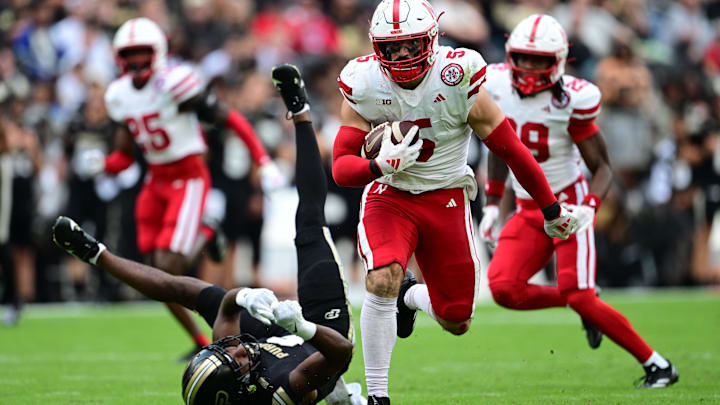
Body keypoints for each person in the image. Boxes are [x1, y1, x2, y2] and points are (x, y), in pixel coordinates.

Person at [52, 64, 366, 405]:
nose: (238, 348)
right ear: (241, 386)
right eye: (237, 359)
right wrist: (302, 328)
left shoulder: (234, 353)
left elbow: (200, 298)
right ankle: (301, 112)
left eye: (228, 349)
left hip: (280, 335)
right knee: (308, 222)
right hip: (322, 341)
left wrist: (242, 297)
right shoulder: (276, 390)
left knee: (194, 292)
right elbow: (340, 353)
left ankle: (97, 253)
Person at [331, 1, 580, 403]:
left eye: (411, 45)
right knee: (381, 278)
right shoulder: (363, 81)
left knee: (457, 319)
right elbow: (342, 168)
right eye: (391, 49)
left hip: (446, 197)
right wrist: (379, 165)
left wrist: (551, 209)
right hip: (390, 196)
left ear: (431, 40)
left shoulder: (457, 75)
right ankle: (378, 395)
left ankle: (410, 296)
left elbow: (513, 150)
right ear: (377, 48)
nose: (401, 57)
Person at [479, 14, 678, 389]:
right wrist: (492, 202)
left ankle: (658, 364)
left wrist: (589, 207)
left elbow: (603, 166)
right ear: (510, 55)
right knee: (504, 289)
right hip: (527, 209)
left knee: (581, 296)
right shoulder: (496, 86)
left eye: (540, 60)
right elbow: (498, 146)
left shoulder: (573, 98)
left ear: (559, 61)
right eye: (524, 58)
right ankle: (584, 302)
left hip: (567, 208)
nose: (531, 68)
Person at [79, 18, 285, 357]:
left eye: (142, 53)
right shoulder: (119, 95)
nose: (135, 62)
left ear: (158, 53)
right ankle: (200, 341)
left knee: (168, 268)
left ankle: (208, 232)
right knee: (152, 276)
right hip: (154, 180)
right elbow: (125, 156)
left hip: (188, 176)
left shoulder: (175, 83)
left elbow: (229, 116)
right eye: (129, 54)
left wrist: (263, 160)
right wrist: (103, 164)